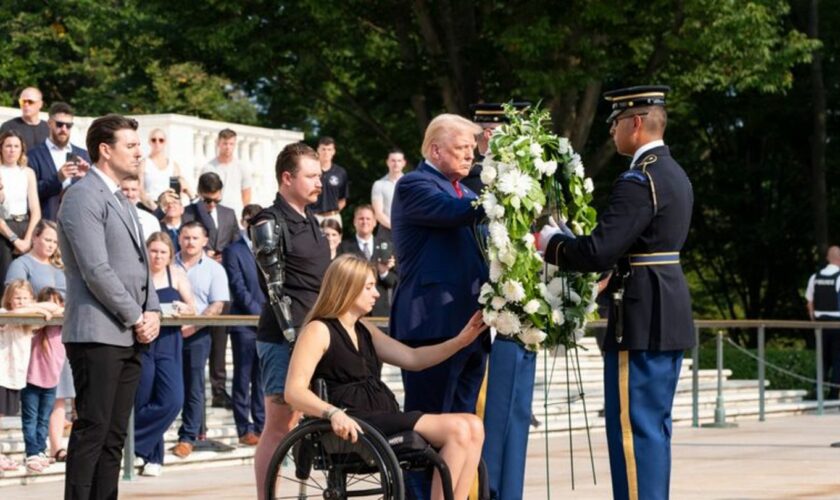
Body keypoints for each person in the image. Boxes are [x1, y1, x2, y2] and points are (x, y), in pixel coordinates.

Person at [538, 85, 694, 500]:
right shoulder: (675, 173)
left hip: (641, 316)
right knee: (652, 427)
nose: (612, 131)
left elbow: (598, 250)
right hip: (666, 308)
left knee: (632, 429)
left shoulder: (640, 179)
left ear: (636, 123)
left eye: (616, 122)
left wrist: (551, 242)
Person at [286, 254, 487, 500]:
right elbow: (294, 391)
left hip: (380, 415)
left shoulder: (364, 328)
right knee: (458, 429)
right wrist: (333, 413)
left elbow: (414, 359)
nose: (377, 293)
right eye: (369, 287)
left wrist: (460, 342)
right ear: (348, 287)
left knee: (474, 426)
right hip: (353, 420)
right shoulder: (318, 330)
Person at [57, 113, 161, 500]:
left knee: (115, 437)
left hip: (130, 332)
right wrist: (137, 316)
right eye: (131, 146)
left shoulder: (122, 198)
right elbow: (96, 269)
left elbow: (141, 266)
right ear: (105, 149)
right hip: (97, 332)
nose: (140, 153)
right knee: (93, 432)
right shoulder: (83, 195)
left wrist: (153, 312)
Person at [389, 113, 487, 499]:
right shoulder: (415, 185)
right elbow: (453, 214)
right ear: (435, 149)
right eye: (462, 149)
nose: (470, 157)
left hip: (471, 327)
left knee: (464, 426)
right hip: (431, 326)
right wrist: (505, 195)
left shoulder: (465, 191)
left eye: (471, 150)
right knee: (428, 432)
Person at [251, 142, 330, 500]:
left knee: (302, 422)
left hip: (315, 333)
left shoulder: (311, 220)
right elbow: (274, 289)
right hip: (284, 336)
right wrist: (295, 336)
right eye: (311, 176)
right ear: (287, 178)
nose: (319, 183)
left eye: (320, 176)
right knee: (279, 426)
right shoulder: (269, 220)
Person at [4, 219, 70, 462]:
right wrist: (45, 307)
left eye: (55, 241)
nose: (52, 245)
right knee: (33, 404)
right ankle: (34, 449)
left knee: (59, 395)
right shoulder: (21, 264)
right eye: (47, 239)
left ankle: (55, 447)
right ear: (35, 238)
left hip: (58, 341)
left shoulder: (59, 269)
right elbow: (14, 298)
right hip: (31, 342)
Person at [134, 231, 196, 477]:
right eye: (153, 250)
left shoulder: (177, 275)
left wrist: (184, 308)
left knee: (172, 400)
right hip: (142, 342)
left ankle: (128, 441)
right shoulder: (137, 275)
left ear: (170, 254)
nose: (157, 256)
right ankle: (154, 458)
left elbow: (193, 308)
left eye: (162, 251)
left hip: (169, 343)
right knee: (142, 398)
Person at [171, 221, 229, 458]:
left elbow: (217, 304)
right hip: (165, 332)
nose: (190, 242)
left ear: (205, 241)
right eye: (186, 237)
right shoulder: (167, 262)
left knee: (193, 384)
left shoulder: (214, 269)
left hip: (198, 334)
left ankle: (188, 436)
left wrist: (193, 325)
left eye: (195, 238)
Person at [182, 172, 238, 408]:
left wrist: (223, 256)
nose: (212, 205)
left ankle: (218, 389)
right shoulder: (190, 212)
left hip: (220, 282)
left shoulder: (229, 214)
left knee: (219, 342)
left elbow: (236, 243)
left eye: (216, 200)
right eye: (207, 200)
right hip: (194, 285)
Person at [0, 280, 61, 473]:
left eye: (25, 298)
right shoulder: (5, 315)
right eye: (17, 298)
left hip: (13, 377)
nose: (21, 301)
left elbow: (54, 307)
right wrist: (33, 309)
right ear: (9, 299)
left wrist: (34, 307)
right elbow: (8, 314)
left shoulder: (29, 322)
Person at [222, 205, 266, 446]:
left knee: (261, 378)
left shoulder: (268, 248)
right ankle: (244, 427)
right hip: (244, 324)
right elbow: (238, 287)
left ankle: (261, 425)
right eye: (250, 220)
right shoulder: (233, 250)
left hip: (267, 325)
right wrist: (258, 315)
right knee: (242, 376)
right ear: (243, 222)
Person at [20, 287, 65, 474]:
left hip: (51, 381)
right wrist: (43, 310)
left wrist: (51, 308)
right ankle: (32, 452)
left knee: (44, 419)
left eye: (57, 302)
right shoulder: (36, 325)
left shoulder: (62, 324)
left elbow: (63, 309)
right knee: (30, 418)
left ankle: (40, 450)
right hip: (32, 380)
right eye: (49, 302)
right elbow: (23, 310)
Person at [27, 102, 91, 221]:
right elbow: (29, 193)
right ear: (49, 124)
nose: (64, 129)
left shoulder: (84, 155)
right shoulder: (33, 155)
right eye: (59, 124)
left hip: (78, 221)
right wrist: (58, 178)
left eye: (68, 125)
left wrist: (88, 177)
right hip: (46, 224)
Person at [0, 130, 42, 293]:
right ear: (1, 148)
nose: (12, 150)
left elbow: (35, 210)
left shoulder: (28, 173)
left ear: (21, 149)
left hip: (25, 227)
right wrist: (14, 240)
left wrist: (28, 239)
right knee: (5, 278)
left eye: (16, 146)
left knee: (25, 279)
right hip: (4, 230)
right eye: (8, 146)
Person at [337, 204, 397, 317]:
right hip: (353, 310)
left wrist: (384, 272)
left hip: (380, 311)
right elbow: (341, 279)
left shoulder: (387, 246)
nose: (365, 222)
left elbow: (394, 281)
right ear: (354, 222)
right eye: (361, 218)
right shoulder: (344, 247)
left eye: (368, 218)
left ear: (375, 222)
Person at [805, 245, 840, 399]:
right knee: (837, 358)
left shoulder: (815, 276)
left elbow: (809, 301)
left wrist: (813, 319)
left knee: (822, 358)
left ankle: (817, 390)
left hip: (820, 323)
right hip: (837, 323)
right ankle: (834, 392)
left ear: (827, 258)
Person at [200, 128, 252, 221]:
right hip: (213, 215)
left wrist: (245, 215)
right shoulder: (208, 168)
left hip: (236, 215)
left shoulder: (242, 167)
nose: (228, 147)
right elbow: (202, 194)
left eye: (231, 144)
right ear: (218, 143)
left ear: (235, 145)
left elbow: (246, 194)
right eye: (225, 143)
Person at [139, 129, 192, 210]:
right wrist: (156, 209)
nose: (157, 143)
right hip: (149, 206)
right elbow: (140, 190)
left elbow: (178, 192)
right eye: (154, 140)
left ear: (165, 142)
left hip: (170, 207)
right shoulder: (143, 164)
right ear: (149, 142)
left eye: (161, 140)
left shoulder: (173, 165)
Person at [309, 137, 349, 226]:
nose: (326, 152)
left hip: (333, 217)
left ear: (333, 151)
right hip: (313, 217)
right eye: (323, 149)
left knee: (335, 240)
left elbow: (343, 199)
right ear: (317, 150)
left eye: (329, 149)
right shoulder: (310, 171)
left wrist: (333, 212)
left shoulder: (340, 172)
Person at [370, 148, 406, 241]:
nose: (396, 164)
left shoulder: (412, 184)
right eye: (393, 160)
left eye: (399, 161)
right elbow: (378, 213)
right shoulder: (379, 184)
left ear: (404, 163)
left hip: (408, 230)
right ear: (387, 162)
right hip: (386, 232)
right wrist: (396, 227)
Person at [121, 176, 165, 241]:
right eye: (125, 189)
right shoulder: (110, 216)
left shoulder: (151, 220)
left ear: (139, 192)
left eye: (134, 189)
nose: (130, 194)